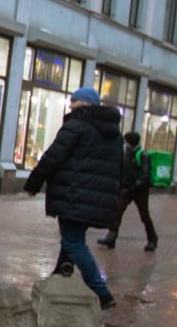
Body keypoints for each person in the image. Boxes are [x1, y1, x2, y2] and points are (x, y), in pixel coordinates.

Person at [24, 86, 122, 309]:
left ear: (86, 104)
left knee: (73, 242)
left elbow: (53, 156)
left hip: (73, 195)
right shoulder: (114, 135)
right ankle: (59, 277)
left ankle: (102, 292)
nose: (71, 105)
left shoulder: (76, 126)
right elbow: (119, 170)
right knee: (71, 240)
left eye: (75, 101)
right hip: (94, 199)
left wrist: (33, 183)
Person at [97, 130, 158, 252]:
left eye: (127, 141)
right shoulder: (126, 154)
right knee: (117, 212)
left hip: (140, 191)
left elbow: (145, 175)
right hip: (126, 189)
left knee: (144, 216)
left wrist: (134, 186)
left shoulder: (142, 155)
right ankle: (111, 237)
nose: (125, 143)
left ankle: (152, 239)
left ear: (131, 142)